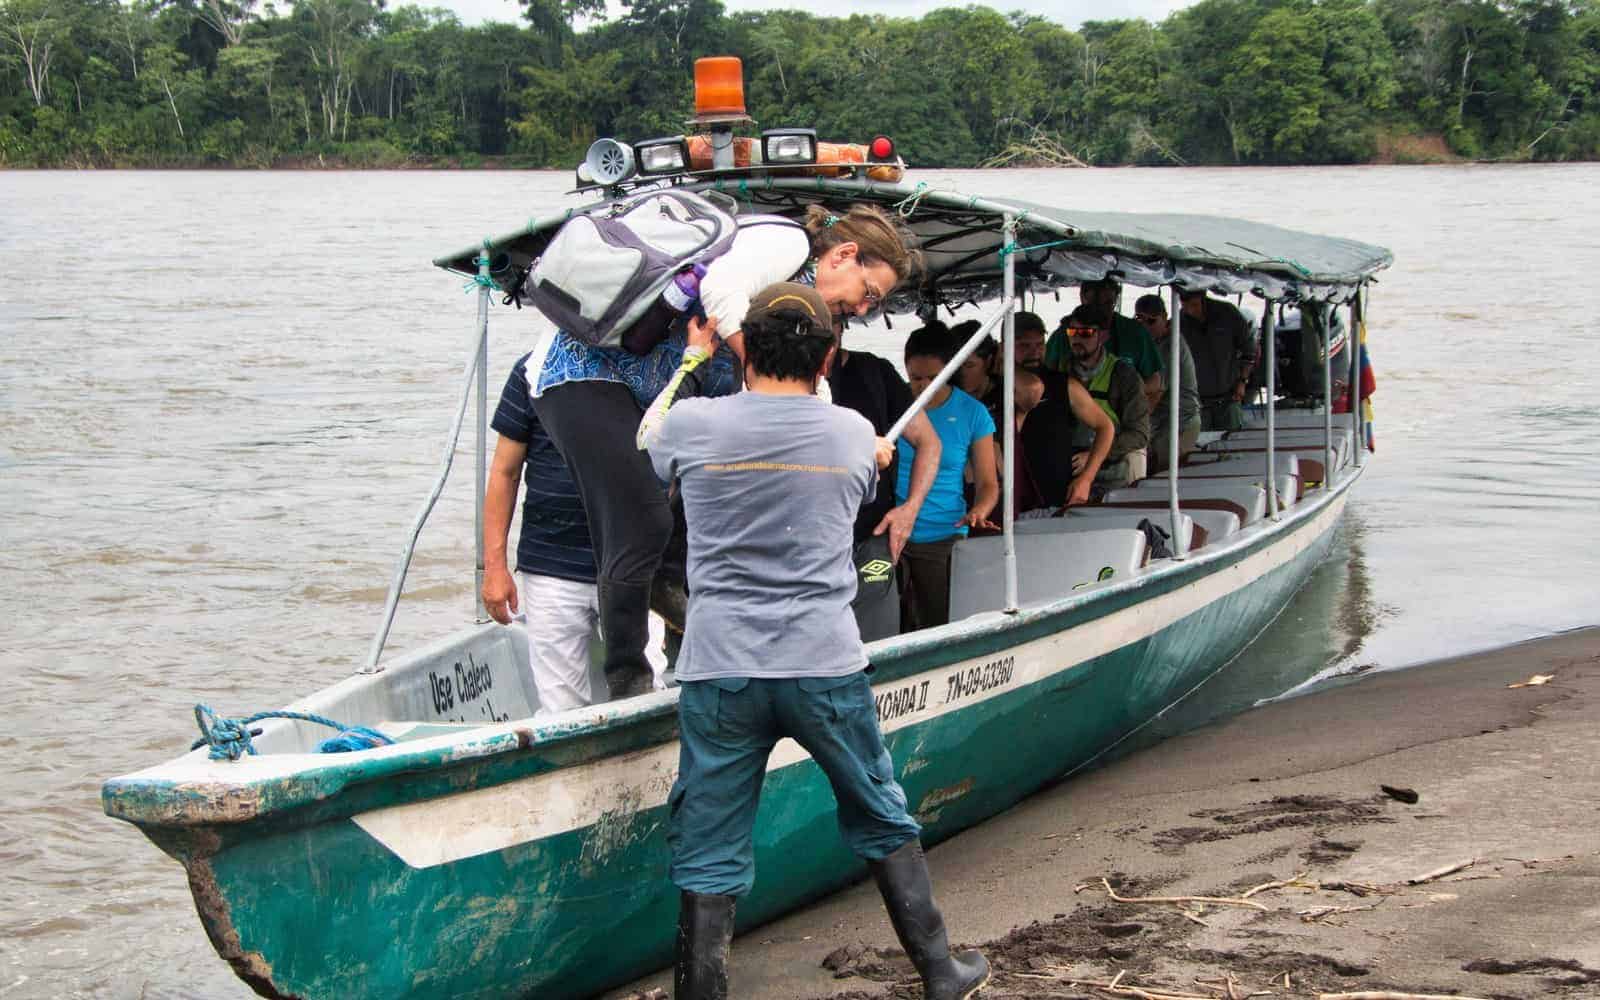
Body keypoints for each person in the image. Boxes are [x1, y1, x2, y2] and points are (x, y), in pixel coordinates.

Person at [644, 284, 989, 1000]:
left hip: (720, 669)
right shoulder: (853, 434)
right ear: (829, 355)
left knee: (708, 843)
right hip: (823, 664)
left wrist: (691, 359)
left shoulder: (693, 425)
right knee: (879, 809)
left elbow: (651, 447)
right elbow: (860, 486)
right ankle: (940, 972)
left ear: (746, 348)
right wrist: (872, 451)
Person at [528, 204, 921, 701]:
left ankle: (687, 625)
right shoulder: (788, 246)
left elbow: (805, 390)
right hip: (583, 372)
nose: (863, 309)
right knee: (643, 520)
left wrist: (848, 435)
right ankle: (629, 681)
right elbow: (720, 291)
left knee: (682, 524)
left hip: (645, 390)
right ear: (844, 255)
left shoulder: (797, 303)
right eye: (869, 294)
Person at [481, 354, 670, 714]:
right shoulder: (534, 371)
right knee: (560, 706)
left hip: (636, 563)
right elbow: (504, 472)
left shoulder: (655, 366)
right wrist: (495, 567)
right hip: (551, 562)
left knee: (646, 695)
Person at [897, 324, 999, 632]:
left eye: (934, 378)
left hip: (944, 535)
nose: (924, 386)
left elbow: (987, 483)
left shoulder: (973, 413)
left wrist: (979, 510)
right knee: (890, 622)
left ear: (950, 370)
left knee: (939, 622)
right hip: (890, 533)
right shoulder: (893, 401)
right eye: (916, 378)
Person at [827, 339, 942, 560]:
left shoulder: (874, 371)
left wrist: (910, 510)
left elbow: (929, 442)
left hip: (871, 535)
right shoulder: (782, 380)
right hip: (810, 540)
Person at [1058, 304, 1151, 487]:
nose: (1077, 338)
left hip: (1118, 460)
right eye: (1072, 332)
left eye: (1085, 333)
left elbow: (1139, 434)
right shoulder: (1061, 370)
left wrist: (1095, 454)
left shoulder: (1125, 375)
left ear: (1103, 336)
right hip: (1074, 460)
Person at [1045, 278, 1164, 404]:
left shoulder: (1134, 332)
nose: (1100, 310)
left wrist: (1127, 392)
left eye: (1108, 304)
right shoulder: (1063, 333)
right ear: (1082, 298)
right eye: (1093, 304)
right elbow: (1046, 375)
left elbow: (1155, 381)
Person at [1134, 294, 1202, 472]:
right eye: (1140, 320)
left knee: (1164, 475)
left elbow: (1156, 391)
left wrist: (1136, 425)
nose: (1145, 326)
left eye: (1151, 321)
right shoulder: (1150, 344)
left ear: (1164, 317)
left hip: (1179, 421)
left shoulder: (1171, 345)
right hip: (1161, 422)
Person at [1178, 288, 1258, 431]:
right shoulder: (1179, 323)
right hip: (1196, 403)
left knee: (1231, 443)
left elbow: (1250, 350)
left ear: (1203, 299)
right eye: (1185, 306)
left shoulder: (1228, 313)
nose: (1190, 311)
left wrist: (1243, 381)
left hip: (1230, 398)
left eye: (1194, 305)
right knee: (1197, 447)